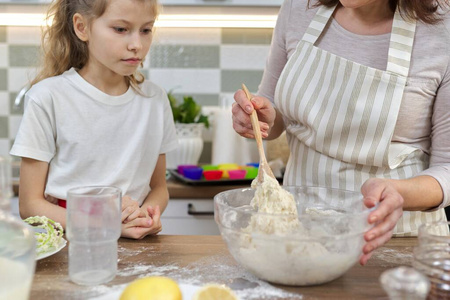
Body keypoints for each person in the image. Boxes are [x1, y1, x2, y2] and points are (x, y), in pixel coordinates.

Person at [232, 0, 450, 265]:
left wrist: (399, 192)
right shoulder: (299, 7)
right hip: (299, 236)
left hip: (399, 245)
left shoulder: (442, 28)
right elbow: (275, 112)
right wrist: (261, 117)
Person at [10, 0, 178, 239]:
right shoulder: (47, 97)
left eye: (146, 30)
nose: (136, 45)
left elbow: (159, 187)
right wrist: (105, 224)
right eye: (121, 29)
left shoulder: (155, 99)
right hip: (71, 241)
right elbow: (30, 205)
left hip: (137, 242)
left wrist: (148, 213)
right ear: (82, 27)